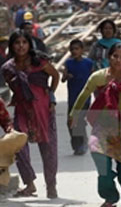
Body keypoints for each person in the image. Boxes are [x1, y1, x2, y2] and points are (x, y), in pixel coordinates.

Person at [69, 43, 121, 207]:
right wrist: (74, 114)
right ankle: (110, 197)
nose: (118, 60)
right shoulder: (98, 77)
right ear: (108, 57)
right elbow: (84, 93)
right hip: (102, 129)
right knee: (101, 165)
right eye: (115, 56)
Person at [1, 30, 59, 198]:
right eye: (17, 43)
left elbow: (55, 75)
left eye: (24, 42)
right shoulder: (8, 68)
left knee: (48, 148)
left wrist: (50, 94)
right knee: (17, 144)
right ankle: (30, 184)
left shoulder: (39, 62)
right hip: (22, 109)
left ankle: (51, 185)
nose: (21, 46)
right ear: (11, 46)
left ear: (29, 44)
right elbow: (13, 88)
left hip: (42, 109)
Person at [61, 39, 94, 155]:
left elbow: (93, 78)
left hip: (84, 97)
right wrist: (66, 76)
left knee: (78, 120)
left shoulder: (88, 63)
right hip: (72, 98)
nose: (74, 51)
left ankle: (82, 144)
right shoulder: (69, 63)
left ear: (82, 50)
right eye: (72, 49)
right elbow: (63, 79)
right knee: (71, 122)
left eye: (77, 49)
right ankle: (76, 144)